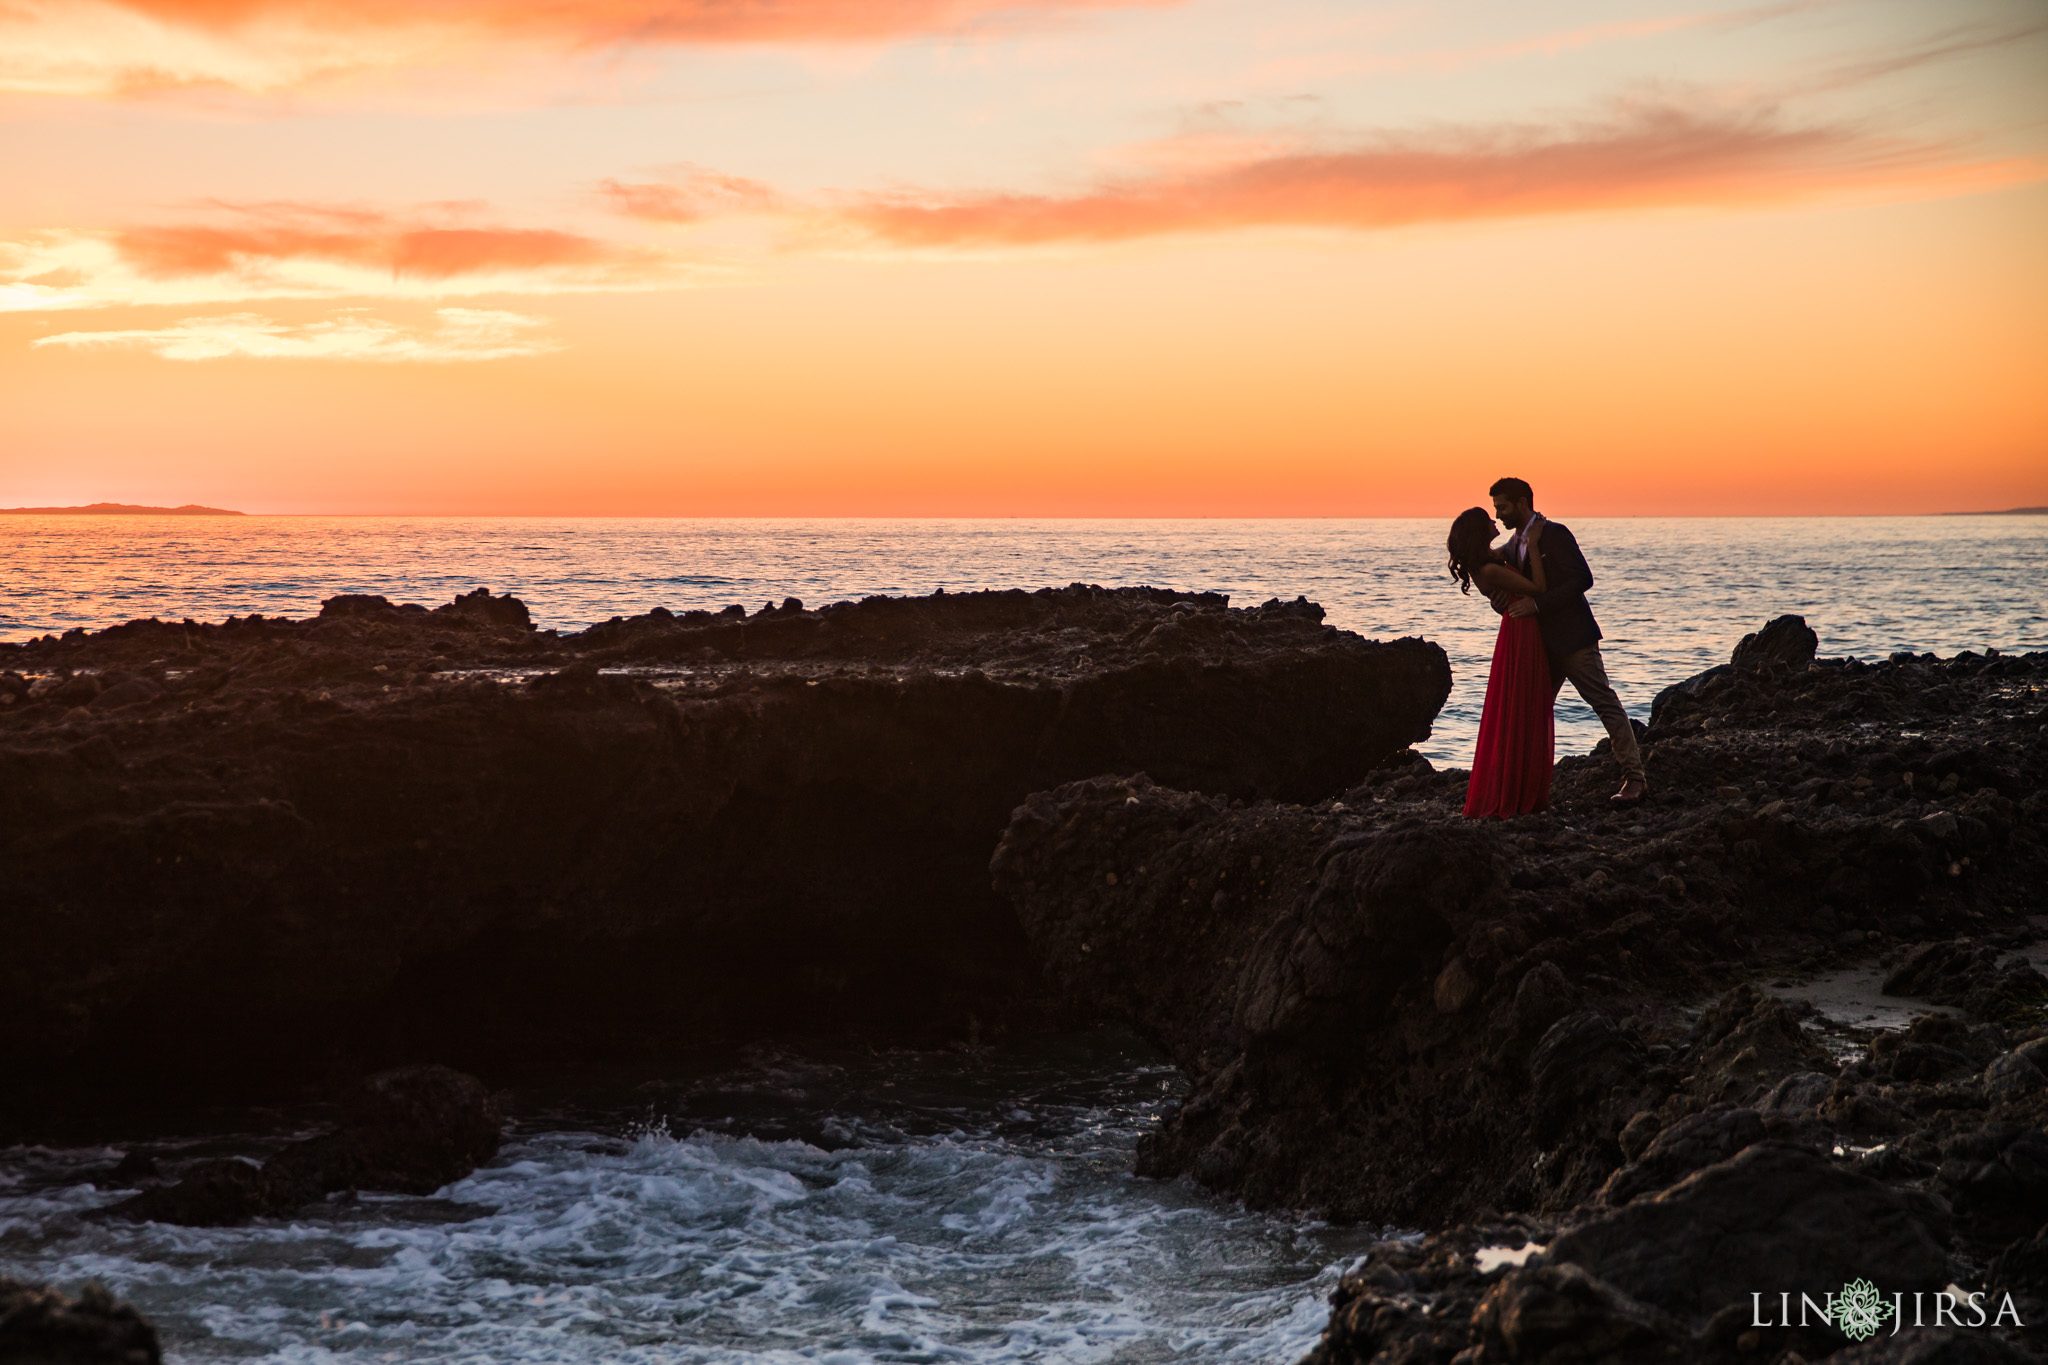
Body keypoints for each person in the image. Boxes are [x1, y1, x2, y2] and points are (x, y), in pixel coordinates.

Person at [1488, 477, 1647, 807]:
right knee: (1530, 712)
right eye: (1495, 509)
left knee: (1604, 703)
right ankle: (1527, 788)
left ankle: (1635, 778)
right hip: (1537, 646)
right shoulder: (1513, 544)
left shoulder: (1555, 534)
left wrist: (1537, 605)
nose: (1499, 514)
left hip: (1574, 639)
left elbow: (1582, 579)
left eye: (1502, 507)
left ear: (1521, 502)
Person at [1447, 506, 1553, 818]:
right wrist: (1533, 544)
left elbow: (1505, 560)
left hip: (1518, 626)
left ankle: (1520, 787)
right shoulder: (1488, 569)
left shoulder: (1488, 560)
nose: (1495, 522)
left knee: (1520, 705)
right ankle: (1515, 792)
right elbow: (1538, 590)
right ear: (1480, 531)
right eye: (1489, 520)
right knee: (1521, 705)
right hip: (1522, 628)